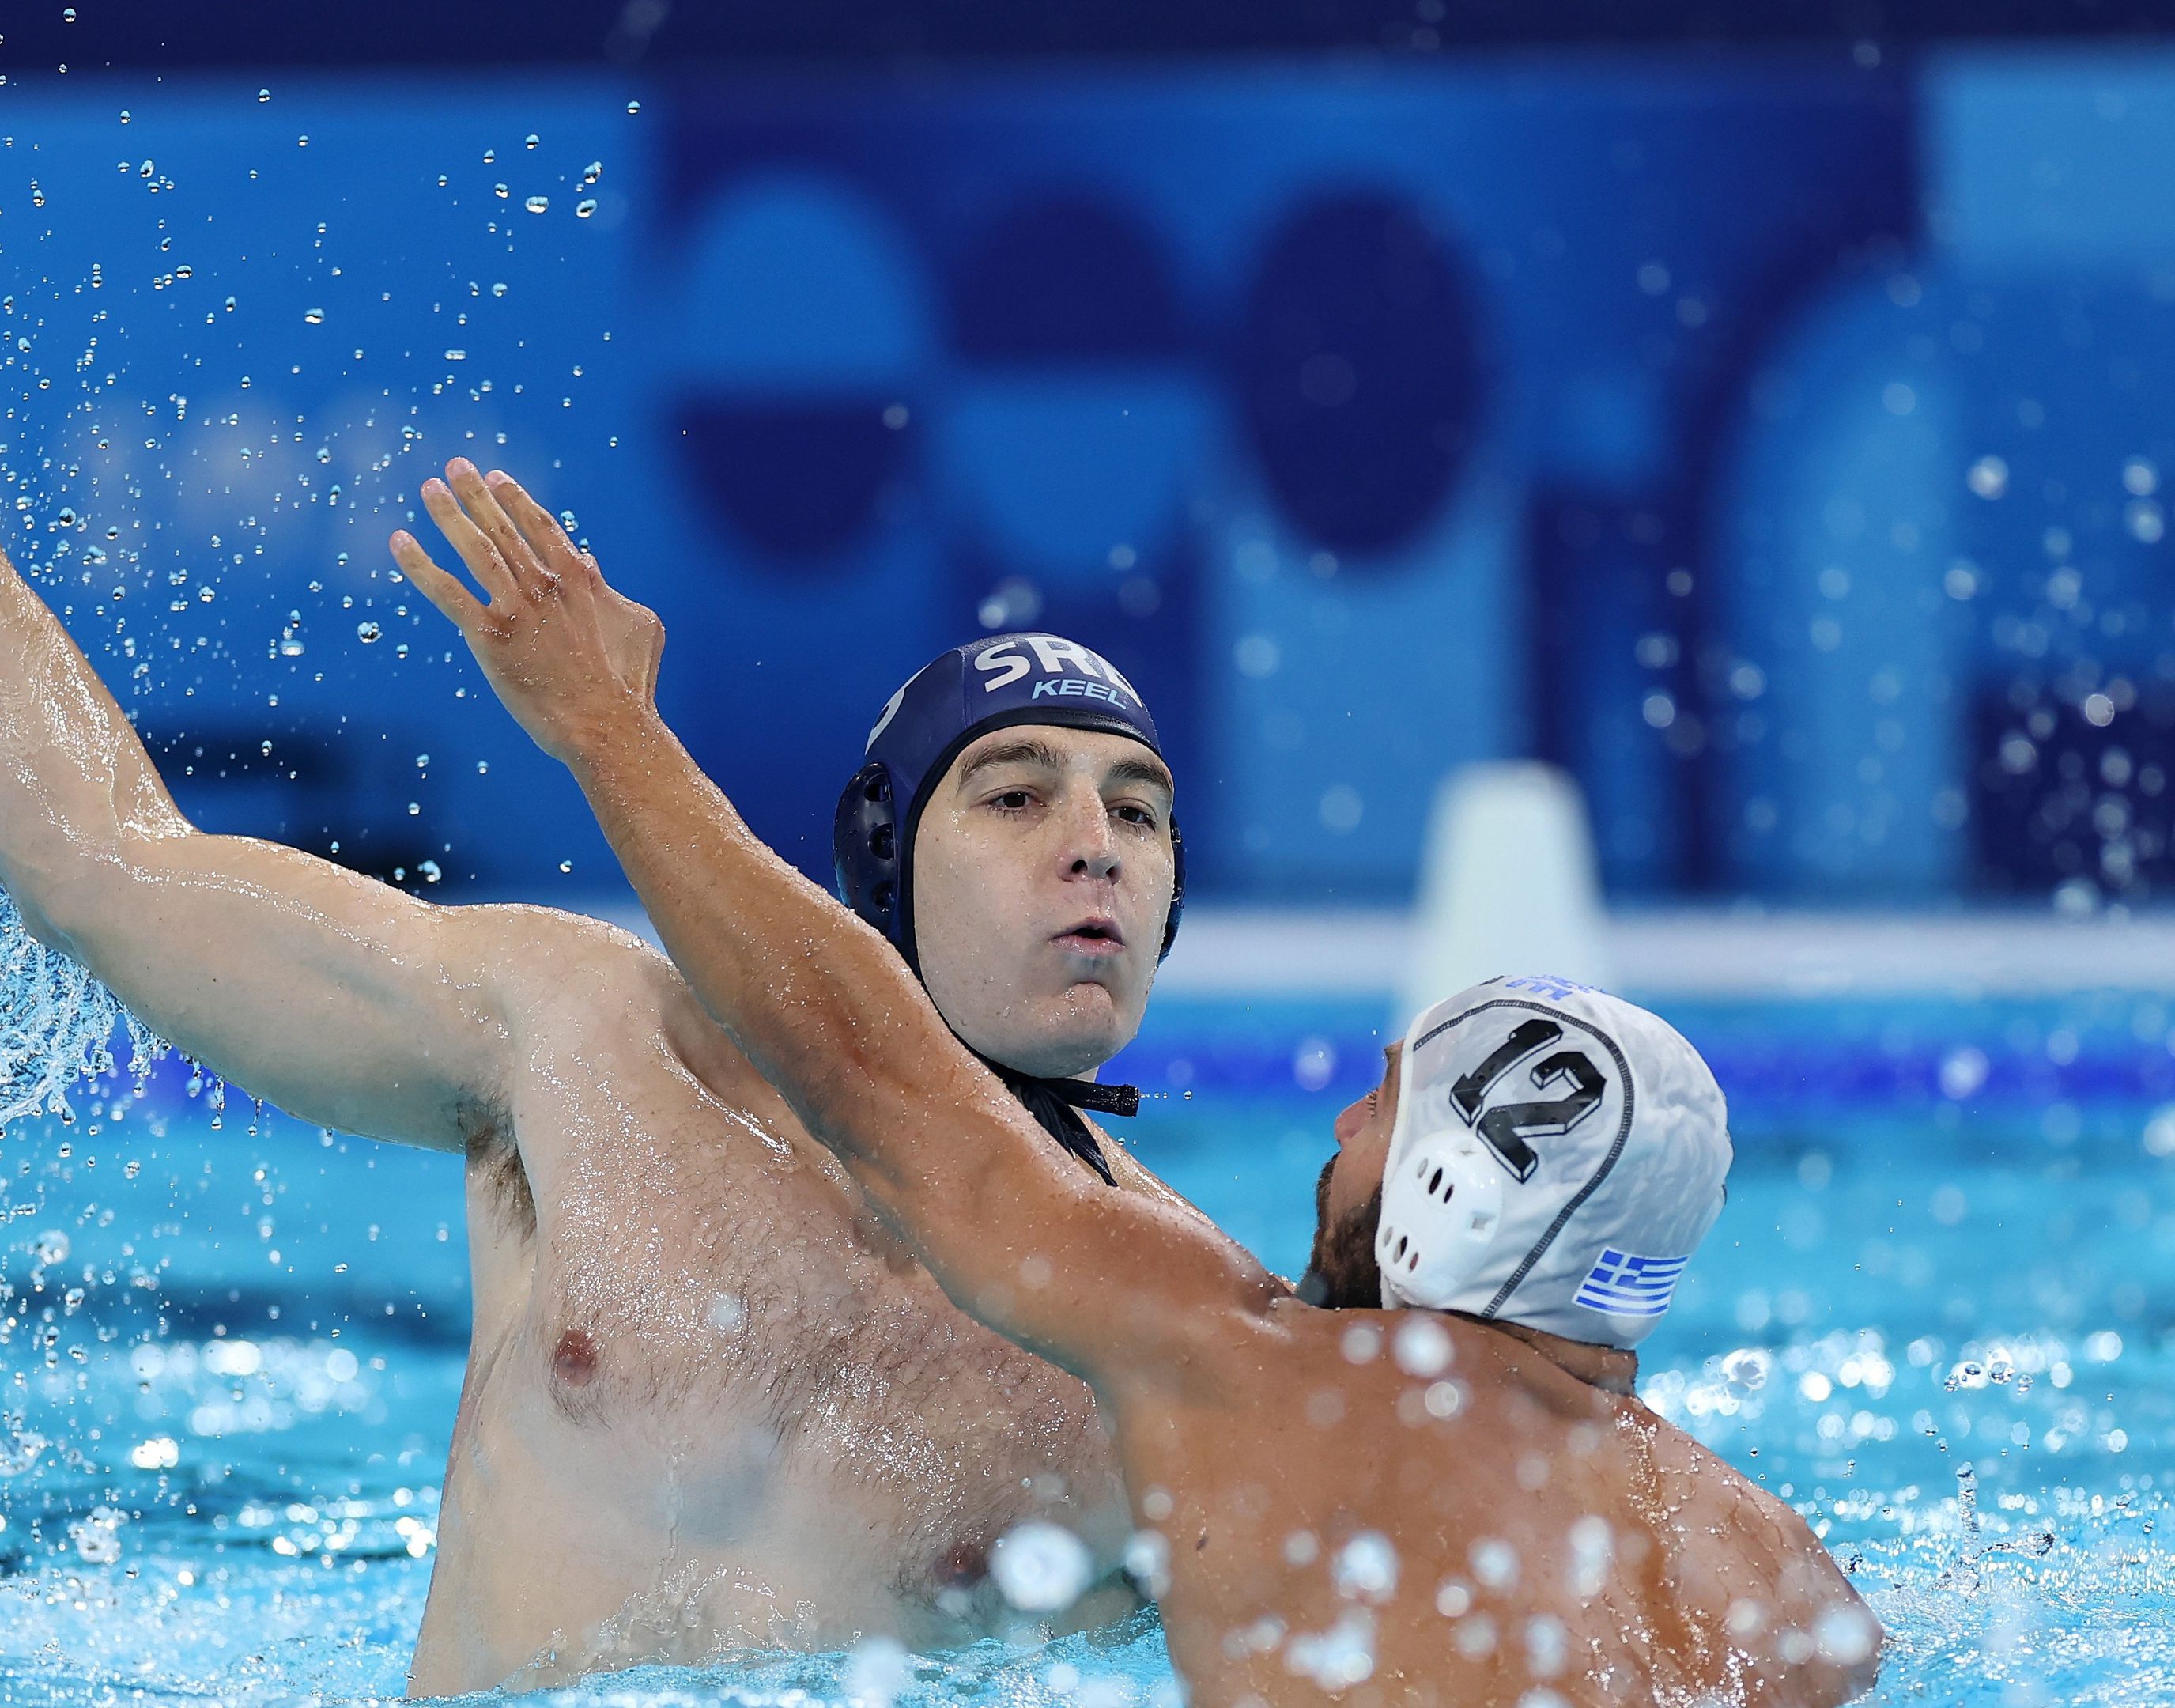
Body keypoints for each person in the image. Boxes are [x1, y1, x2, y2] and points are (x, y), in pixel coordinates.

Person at [0, 248, 1190, 1688]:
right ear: (883, 869)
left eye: (1138, 811)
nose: (1095, 846)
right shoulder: (581, 1042)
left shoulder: (1194, 1342)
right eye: (1014, 795)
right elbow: (98, 865)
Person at [387, 466, 1885, 1707]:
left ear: (1449, 1196)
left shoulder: (1249, 1377)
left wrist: (605, 732)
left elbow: (875, 1080)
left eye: (1388, 1114)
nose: (1348, 1126)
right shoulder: (1784, 1577)